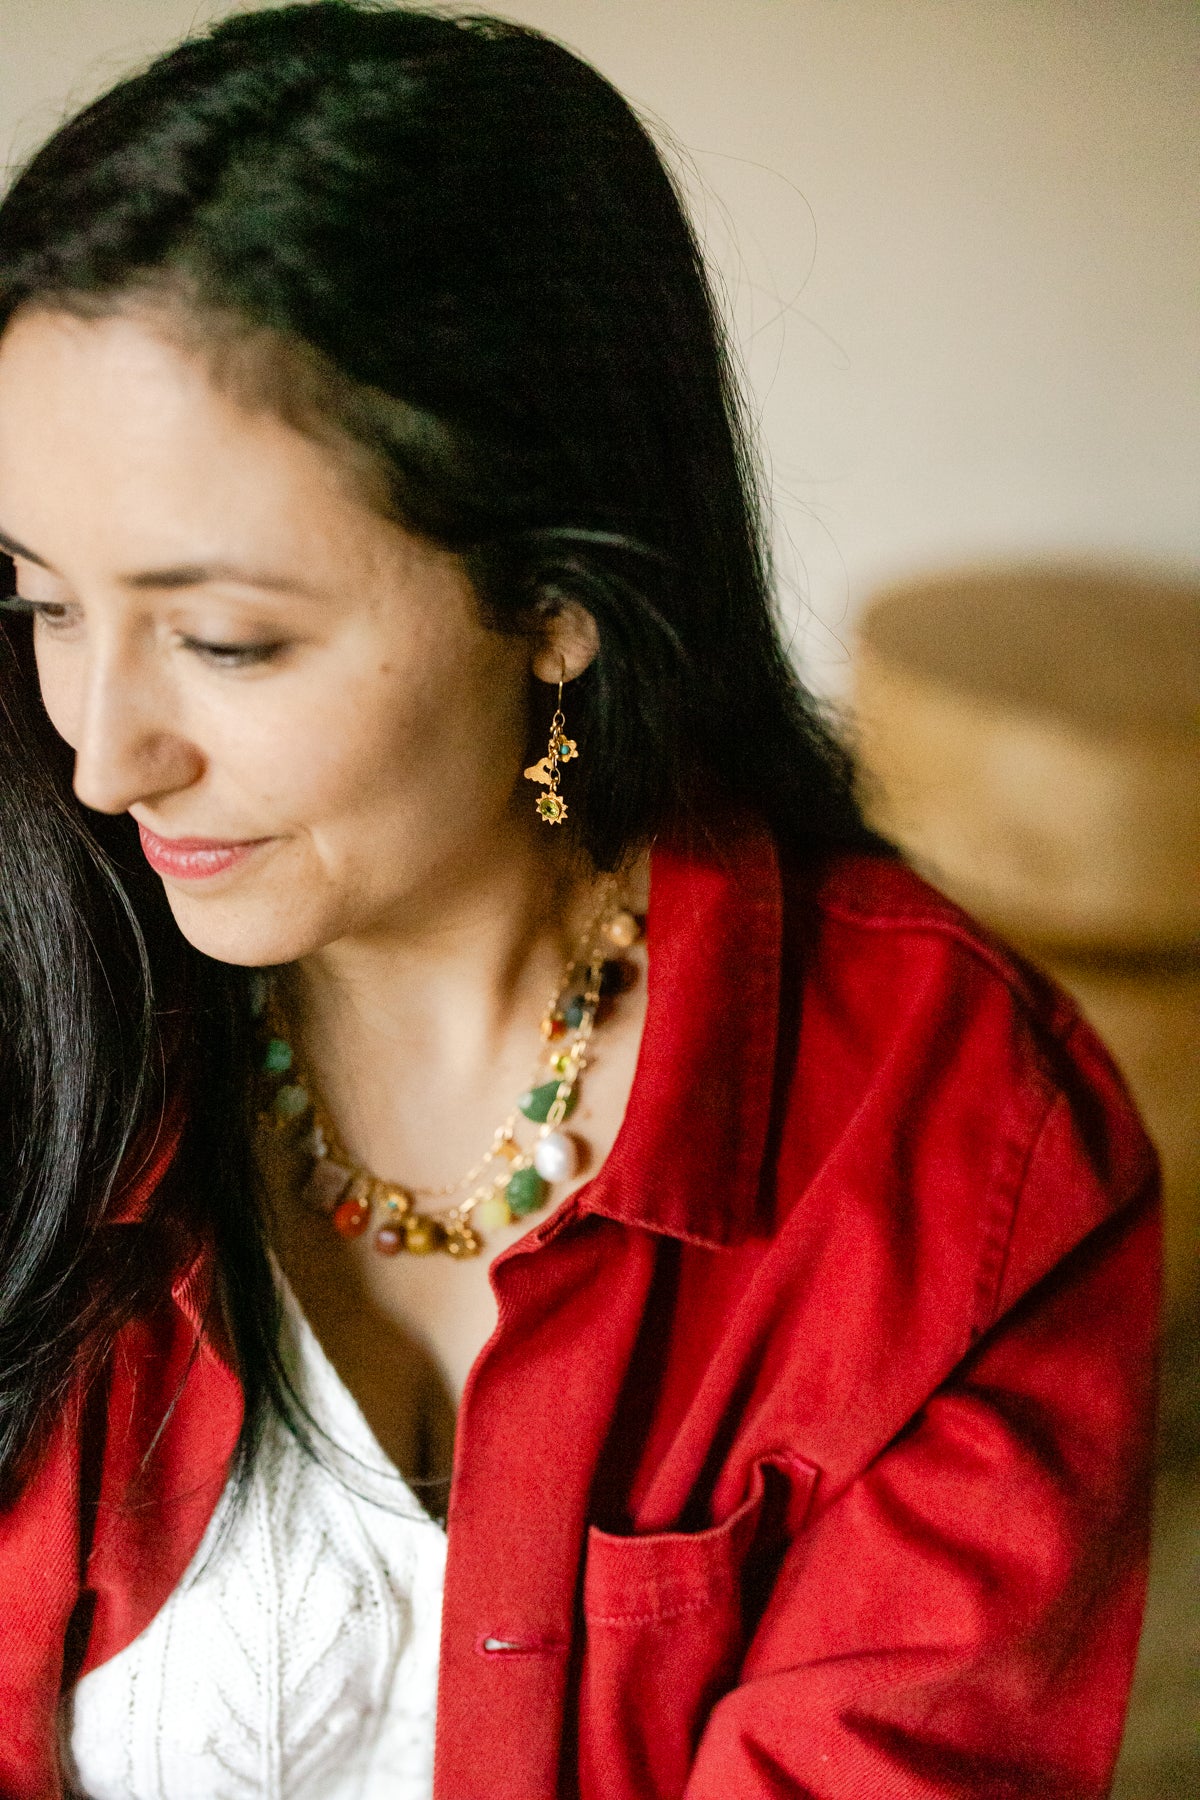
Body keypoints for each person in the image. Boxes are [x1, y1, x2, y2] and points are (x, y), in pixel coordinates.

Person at [0, 4, 1159, 1796]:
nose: (102, 756)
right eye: (41, 604)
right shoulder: (39, 985)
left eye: (227, 639)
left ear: (556, 599)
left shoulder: (953, 1148)